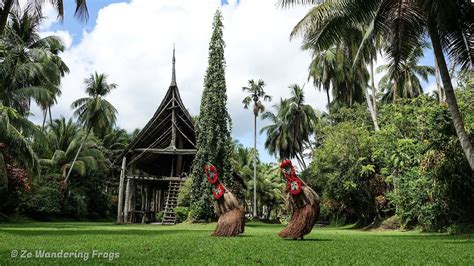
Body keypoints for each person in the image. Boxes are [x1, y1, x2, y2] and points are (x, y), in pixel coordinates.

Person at [278, 159, 320, 240]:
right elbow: (291, 185)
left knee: (303, 216)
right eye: (285, 169)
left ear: (290, 167)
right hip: (297, 203)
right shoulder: (289, 178)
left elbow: (297, 181)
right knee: (298, 217)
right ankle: (296, 233)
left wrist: (304, 185)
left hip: (303, 202)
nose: (285, 170)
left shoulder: (294, 177)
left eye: (287, 168)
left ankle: (299, 233)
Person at [205, 163, 245, 237]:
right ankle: (229, 229)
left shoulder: (223, 188)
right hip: (223, 197)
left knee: (233, 209)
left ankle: (231, 229)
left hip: (224, 196)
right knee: (232, 209)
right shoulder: (219, 188)